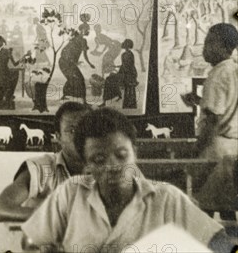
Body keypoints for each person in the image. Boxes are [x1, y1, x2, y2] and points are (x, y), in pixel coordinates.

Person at [21, 108, 234, 253]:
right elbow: (29, 240)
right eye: (99, 159)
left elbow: (219, 241)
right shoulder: (69, 194)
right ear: (86, 165)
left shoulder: (167, 199)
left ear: (135, 153)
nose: (113, 166)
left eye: (122, 155)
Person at [0, 102, 91, 222]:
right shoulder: (40, 169)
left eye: (87, 128)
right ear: (58, 137)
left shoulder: (110, 168)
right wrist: (60, 216)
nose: (81, 136)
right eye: (72, 130)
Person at [182, 23, 238, 219]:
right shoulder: (233, 70)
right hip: (233, 149)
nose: (204, 48)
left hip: (215, 149)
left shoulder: (216, 75)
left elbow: (213, 119)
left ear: (224, 47)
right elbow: (226, 107)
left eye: (209, 42)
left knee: (203, 207)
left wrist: (198, 148)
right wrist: (198, 101)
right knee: (227, 207)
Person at [59, 24, 95, 103]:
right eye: (86, 29)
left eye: (88, 30)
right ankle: (84, 101)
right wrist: (72, 61)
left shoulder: (82, 40)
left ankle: (65, 95)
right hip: (65, 62)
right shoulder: (75, 39)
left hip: (67, 62)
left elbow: (85, 54)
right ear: (81, 30)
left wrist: (89, 64)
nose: (87, 31)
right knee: (80, 79)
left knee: (72, 78)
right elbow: (65, 51)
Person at [0, 35, 20, 110]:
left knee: (0, 87)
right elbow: (14, 64)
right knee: (5, 86)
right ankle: (5, 101)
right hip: (4, 72)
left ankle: (1, 102)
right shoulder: (6, 51)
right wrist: (22, 59)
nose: (0, 43)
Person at [118, 39, 137, 109]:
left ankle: (128, 104)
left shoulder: (125, 54)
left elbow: (128, 65)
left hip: (128, 73)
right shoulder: (130, 54)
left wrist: (122, 71)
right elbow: (126, 64)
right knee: (129, 89)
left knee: (129, 88)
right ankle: (131, 104)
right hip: (130, 72)